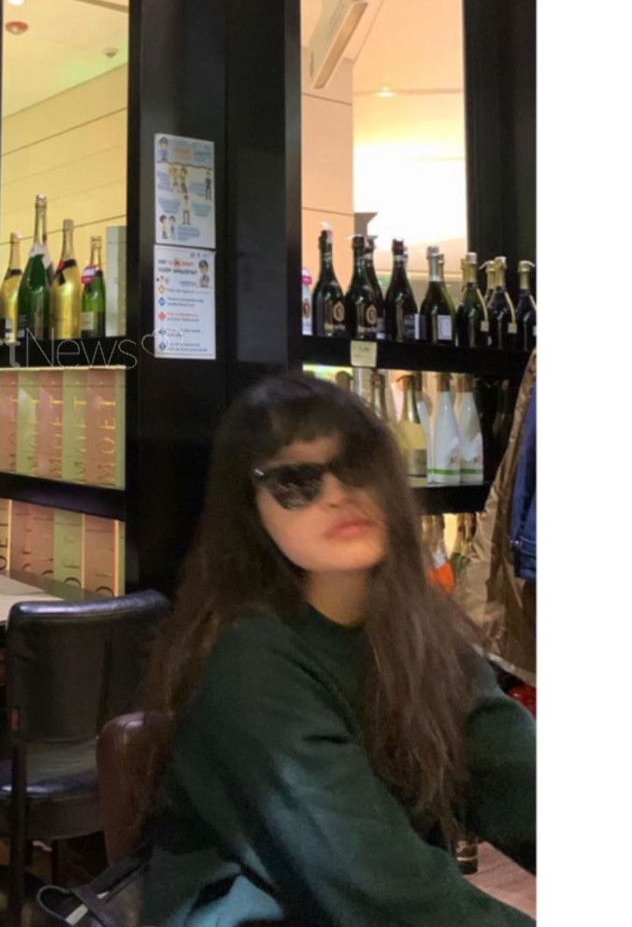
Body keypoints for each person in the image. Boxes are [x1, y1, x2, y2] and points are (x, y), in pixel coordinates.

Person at [139, 373, 536, 925]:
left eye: (356, 464)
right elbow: (381, 887)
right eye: (295, 480)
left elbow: (521, 782)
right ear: (250, 510)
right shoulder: (248, 662)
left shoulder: (420, 636)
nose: (337, 493)